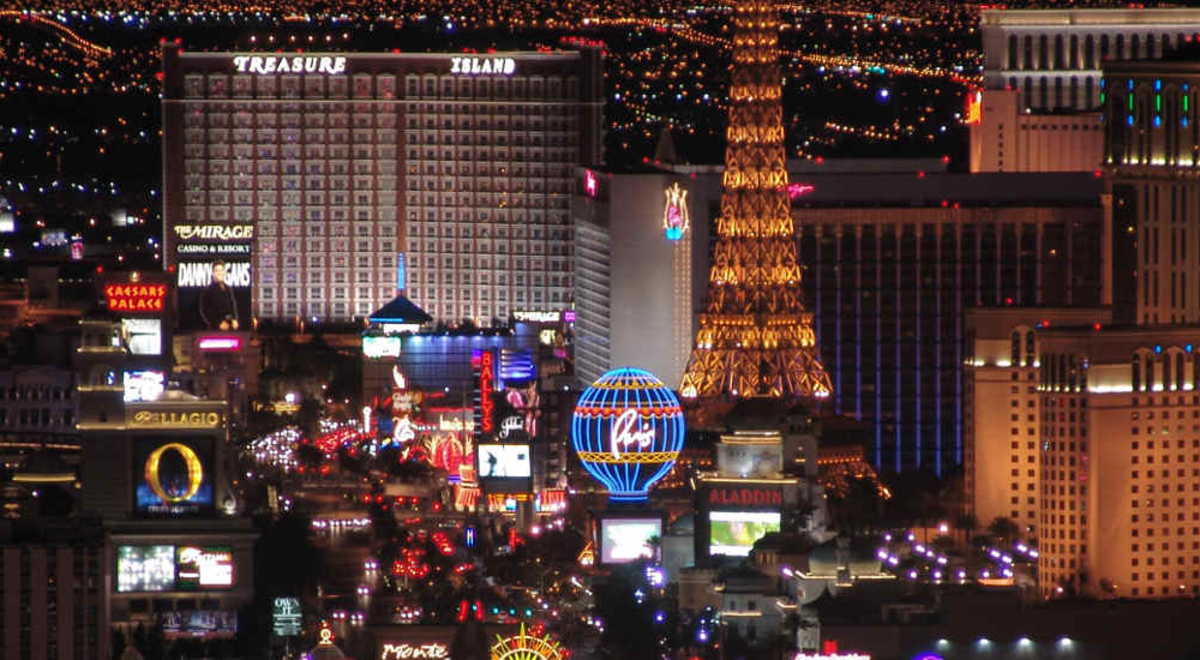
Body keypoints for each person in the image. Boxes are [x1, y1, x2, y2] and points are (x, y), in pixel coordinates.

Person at [199, 260, 239, 330]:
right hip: (215, 329)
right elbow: (205, 310)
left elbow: (231, 306)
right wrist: (218, 323)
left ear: (224, 272)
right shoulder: (208, 290)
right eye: (217, 270)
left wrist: (234, 319)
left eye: (221, 270)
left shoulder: (228, 289)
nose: (219, 273)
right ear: (213, 273)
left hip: (230, 327)